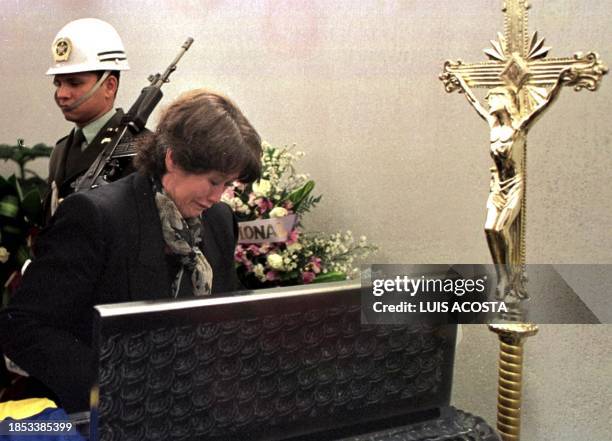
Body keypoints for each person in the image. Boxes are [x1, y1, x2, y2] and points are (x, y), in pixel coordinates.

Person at [0, 89, 262, 412]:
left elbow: (225, 314)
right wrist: (112, 385)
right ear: (173, 159)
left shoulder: (220, 222)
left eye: (228, 185)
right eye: (213, 181)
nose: (218, 197)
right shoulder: (96, 217)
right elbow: (22, 325)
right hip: (105, 414)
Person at [453, 70, 572, 300]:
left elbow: (545, 103)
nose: (489, 101)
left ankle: (512, 274)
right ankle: (502, 277)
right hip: (497, 185)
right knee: (489, 228)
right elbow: (473, 102)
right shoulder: (491, 124)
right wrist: (461, 83)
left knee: (500, 229)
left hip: (514, 184)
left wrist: (559, 82)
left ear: (504, 102)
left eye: (493, 98)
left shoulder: (518, 127)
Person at [44, 18, 142, 222]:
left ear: (109, 86)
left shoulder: (140, 148)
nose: (62, 93)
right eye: (58, 83)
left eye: (74, 82)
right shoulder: (61, 149)